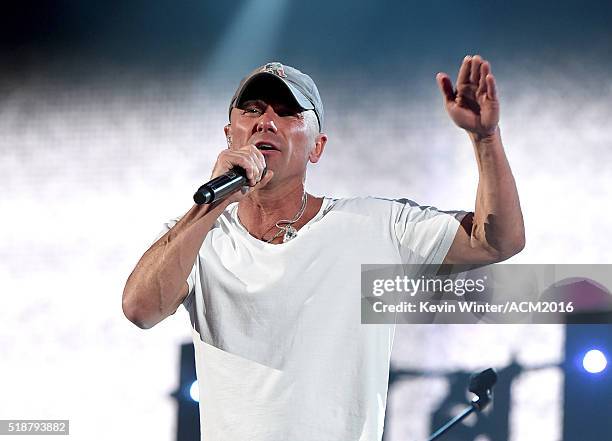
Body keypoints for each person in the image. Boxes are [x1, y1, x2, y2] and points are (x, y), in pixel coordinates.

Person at [122, 57, 524, 441]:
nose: (267, 122)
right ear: (230, 135)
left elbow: (497, 240)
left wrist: (485, 138)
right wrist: (211, 205)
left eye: (288, 112)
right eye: (253, 109)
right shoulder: (198, 235)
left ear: (317, 147)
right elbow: (140, 309)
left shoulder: (375, 226)